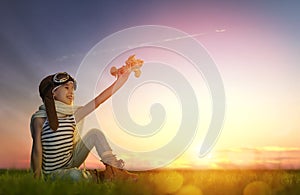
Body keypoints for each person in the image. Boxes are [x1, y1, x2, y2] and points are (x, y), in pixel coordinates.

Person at [30, 66, 137, 182]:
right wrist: (36, 179)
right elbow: (37, 149)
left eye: (72, 89)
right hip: (54, 173)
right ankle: (99, 177)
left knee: (95, 134)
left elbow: (98, 101)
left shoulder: (73, 116)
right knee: (74, 176)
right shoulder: (40, 119)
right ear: (53, 93)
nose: (71, 92)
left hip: (71, 161)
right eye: (66, 88)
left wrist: (121, 80)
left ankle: (114, 172)